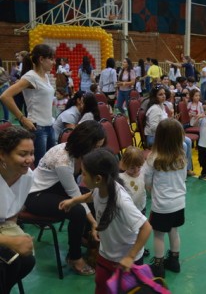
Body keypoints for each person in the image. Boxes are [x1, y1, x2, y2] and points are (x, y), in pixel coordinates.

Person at [59, 147, 152, 294]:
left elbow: (146, 228)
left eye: (84, 174)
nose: (81, 177)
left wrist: (130, 257)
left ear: (97, 178)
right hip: (106, 255)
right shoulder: (101, 187)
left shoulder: (121, 201)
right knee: (102, 287)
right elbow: (91, 195)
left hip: (126, 261)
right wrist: (74, 201)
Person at [25, 121, 106, 276]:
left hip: (55, 189)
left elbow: (82, 190)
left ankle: (86, 237)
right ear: (85, 144)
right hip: (36, 195)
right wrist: (94, 222)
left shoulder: (79, 154)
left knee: (93, 197)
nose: (98, 151)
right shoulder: (63, 160)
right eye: (96, 147)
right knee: (77, 211)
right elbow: (74, 194)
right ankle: (74, 257)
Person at [0, 44, 56, 167]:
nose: (53, 62)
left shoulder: (45, 76)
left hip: (49, 126)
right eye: (51, 59)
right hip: (38, 128)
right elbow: (5, 96)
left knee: (51, 166)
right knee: (40, 168)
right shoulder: (30, 76)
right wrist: (22, 118)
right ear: (41, 59)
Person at [144, 118, 186, 278]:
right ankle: (174, 261)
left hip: (161, 205)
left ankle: (158, 265)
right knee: (174, 231)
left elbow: (147, 180)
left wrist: (150, 189)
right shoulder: (181, 156)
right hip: (179, 203)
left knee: (159, 234)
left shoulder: (153, 158)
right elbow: (182, 179)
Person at [0, 126, 35, 294]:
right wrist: (10, 241)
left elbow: (12, 213)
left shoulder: (28, 176)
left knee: (27, 260)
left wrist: (15, 234)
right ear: (2, 154)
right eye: (23, 154)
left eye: (31, 153)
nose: (29, 160)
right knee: (6, 263)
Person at [145, 85, 195, 176]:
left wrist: (171, 119)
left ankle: (187, 169)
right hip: (154, 137)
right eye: (160, 94)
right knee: (182, 145)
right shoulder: (154, 109)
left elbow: (164, 122)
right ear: (155, 96)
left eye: (164, 94)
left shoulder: (162, 106)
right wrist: (168, 129)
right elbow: (153, 127)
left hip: (163, 135)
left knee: (188, 141)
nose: (163, 96)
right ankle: (180, 171)